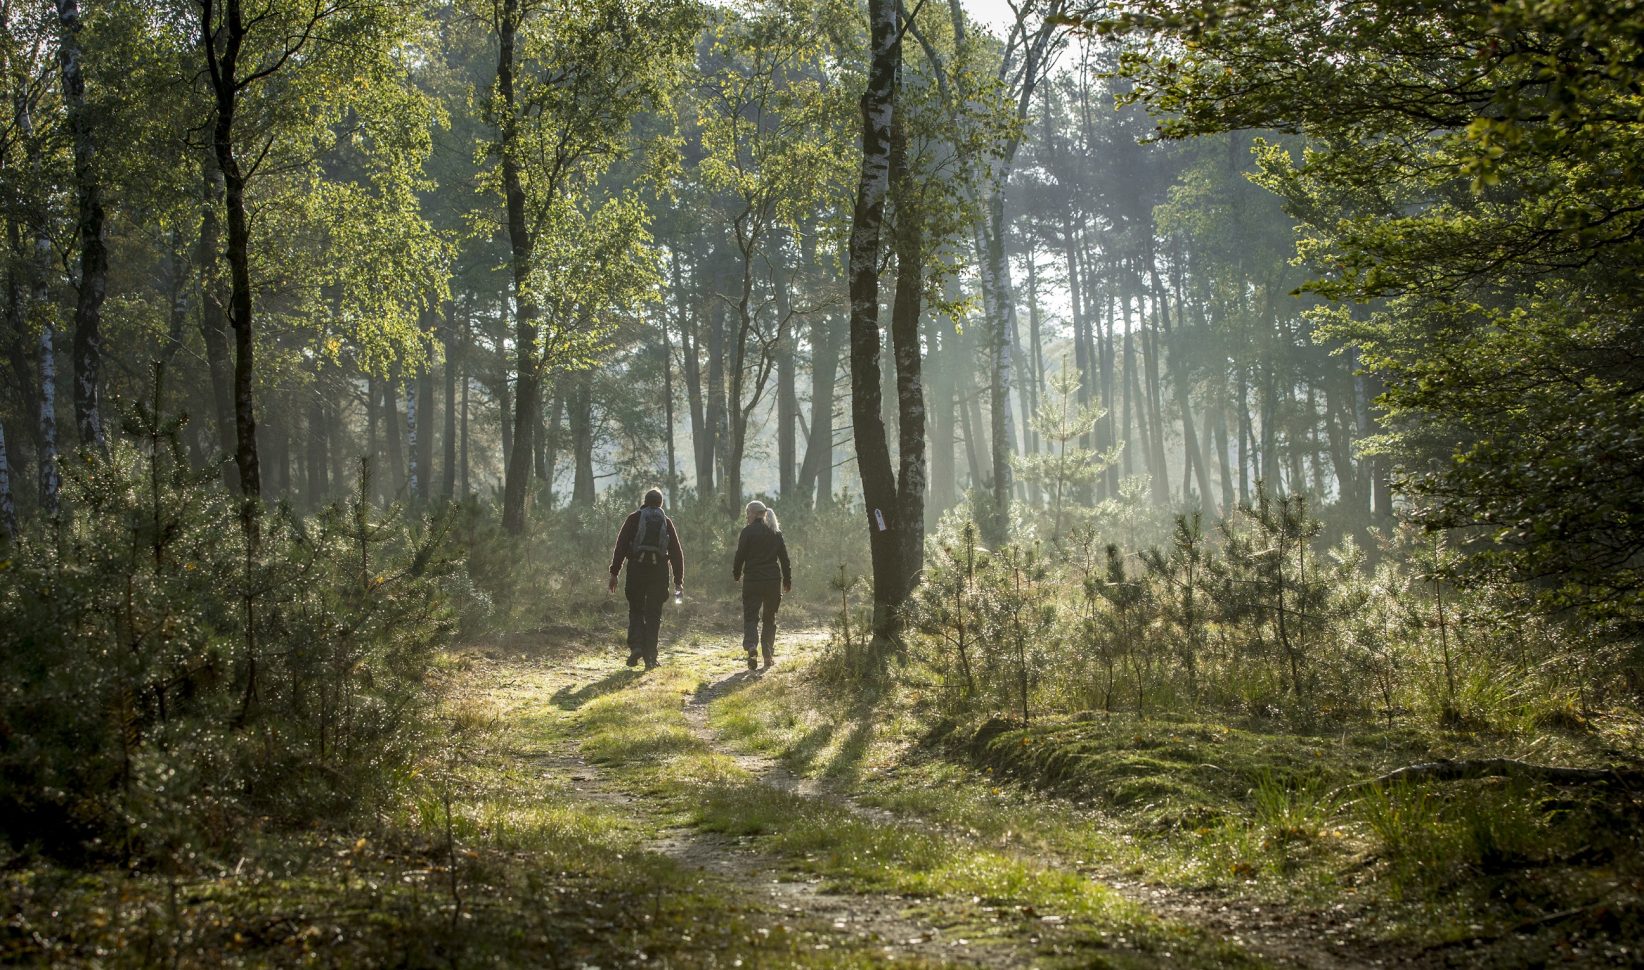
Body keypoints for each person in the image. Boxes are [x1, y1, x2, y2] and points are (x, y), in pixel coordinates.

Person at [608, 488, 684, 670]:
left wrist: (614, 572)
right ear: (661, 503)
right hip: (658, 571)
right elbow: (676, 552)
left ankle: (636, 646)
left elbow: (620, 546)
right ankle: (651, 657)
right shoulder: (666, 522)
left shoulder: (634, 518)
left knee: (636, 610)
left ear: (644, 501)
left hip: (637, 569)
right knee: (653, 614)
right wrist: (678, 581)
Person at [732, 500, 791, 670]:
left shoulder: (748, 532)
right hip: (773, 581)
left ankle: (751, 647)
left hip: (753, 581)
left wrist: (736, 573)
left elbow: (740, 555)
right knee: (769, 618)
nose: (746, 516)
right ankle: (767, 653)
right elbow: (784, 559)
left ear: (756, 513)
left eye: (748, 512)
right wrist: (787, 580)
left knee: (751, 615)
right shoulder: (775, 533)